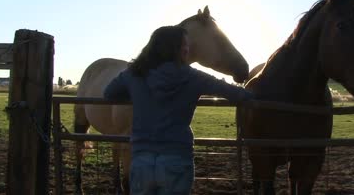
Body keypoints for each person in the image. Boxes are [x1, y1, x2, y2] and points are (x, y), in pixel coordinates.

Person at [103, 25, 253, 195]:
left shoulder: (134, 74)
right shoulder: (194, 77)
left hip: (141, 160)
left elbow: (109, 93)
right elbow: (234, 93)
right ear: (177, 50)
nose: (187, 49)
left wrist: (138, 97)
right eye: (184, 45)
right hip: (176, 160)